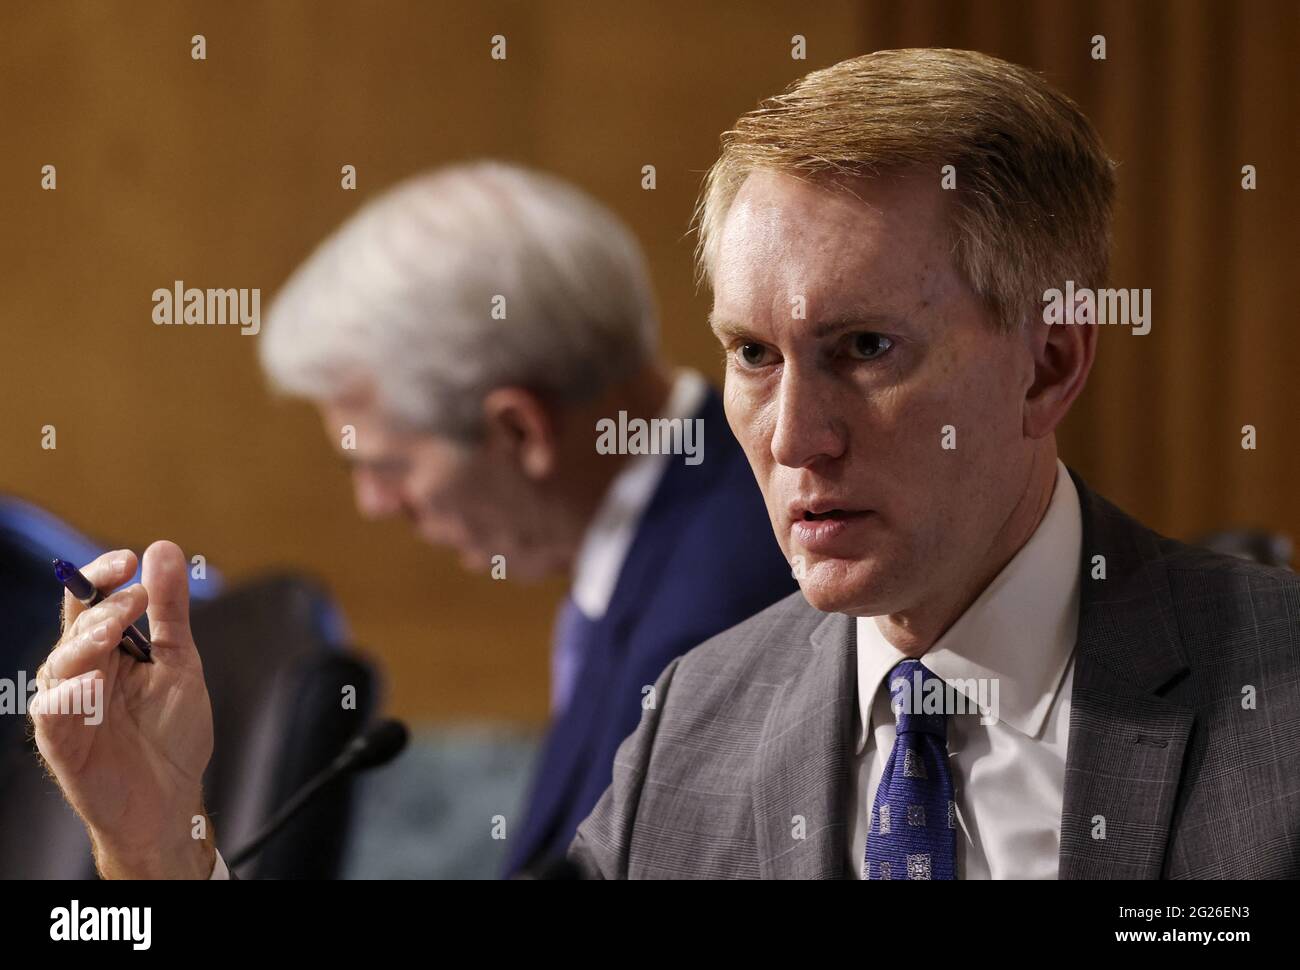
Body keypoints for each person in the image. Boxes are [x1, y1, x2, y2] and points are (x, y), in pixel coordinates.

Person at [567, 48, 1300, 879]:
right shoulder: (691, 726)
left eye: (866, 348)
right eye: (754, 354)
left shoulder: (1280, 714)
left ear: (1050, 365)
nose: (794, 438)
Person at [26, 163, 796, 879]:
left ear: (519, 431)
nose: (374, 504)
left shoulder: (721, 615)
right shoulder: (682, 530)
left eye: (388, 466)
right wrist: (154, 845)